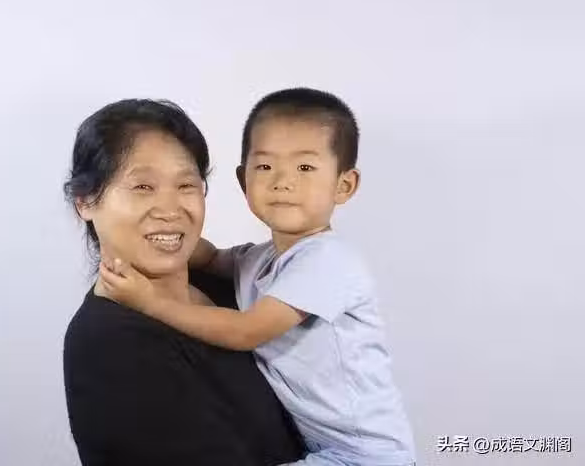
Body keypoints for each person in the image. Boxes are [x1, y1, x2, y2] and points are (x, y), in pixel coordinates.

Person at [100, 88, 417, 465]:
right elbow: (209, 256)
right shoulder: (261, 258)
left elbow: (246, 332)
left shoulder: (329, 262)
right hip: (321, 448)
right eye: (265, 167)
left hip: (366, 455)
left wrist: (150, 302)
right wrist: (158, 231)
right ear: (243, 180)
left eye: (305, 168)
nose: (283, 181)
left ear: (343, 185)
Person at [62, 98, 305, 466]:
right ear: (85, 202)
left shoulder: (232, 286)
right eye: (143, 186)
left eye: (187, 185)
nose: (170, 209)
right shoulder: (106, 343)